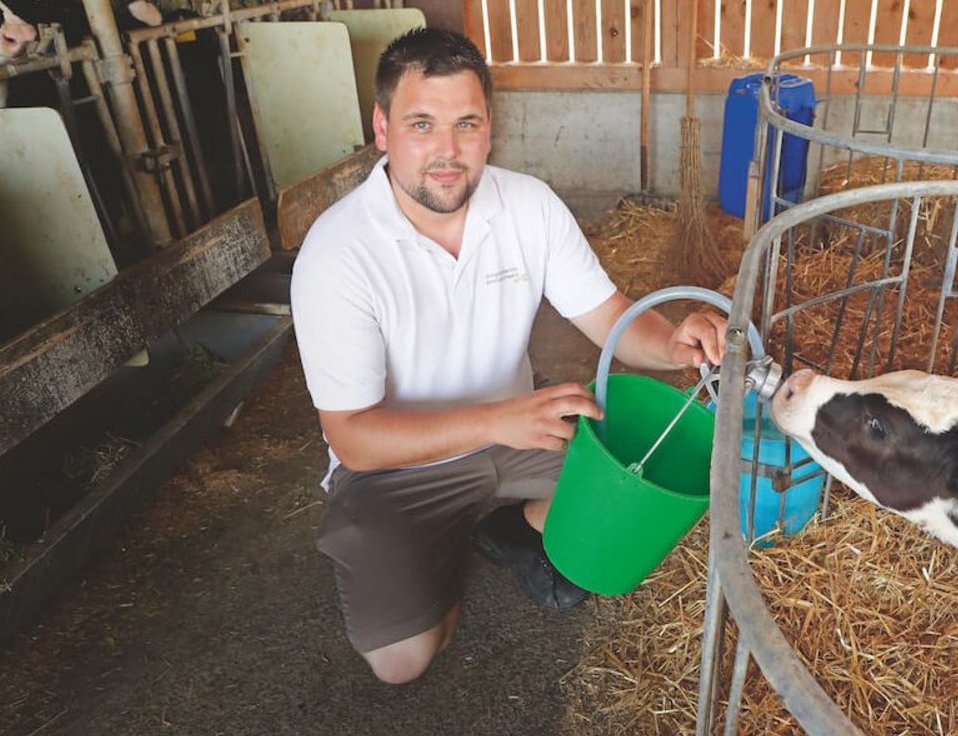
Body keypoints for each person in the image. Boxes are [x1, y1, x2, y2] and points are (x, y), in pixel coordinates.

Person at [290, 27, 728, 685]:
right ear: (381, 129)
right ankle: (446, 542)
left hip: (524, 424)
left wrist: (670, 342)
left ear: (489, 126)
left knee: (636, 498)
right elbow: (353, 438)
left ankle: (515, 526)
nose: (447, 150)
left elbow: (609, 317)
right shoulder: (337, 253)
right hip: (397, 465)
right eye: (421, 124)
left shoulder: (528, 206)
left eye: (466, 123)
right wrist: (498, 422)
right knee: (403, 660)